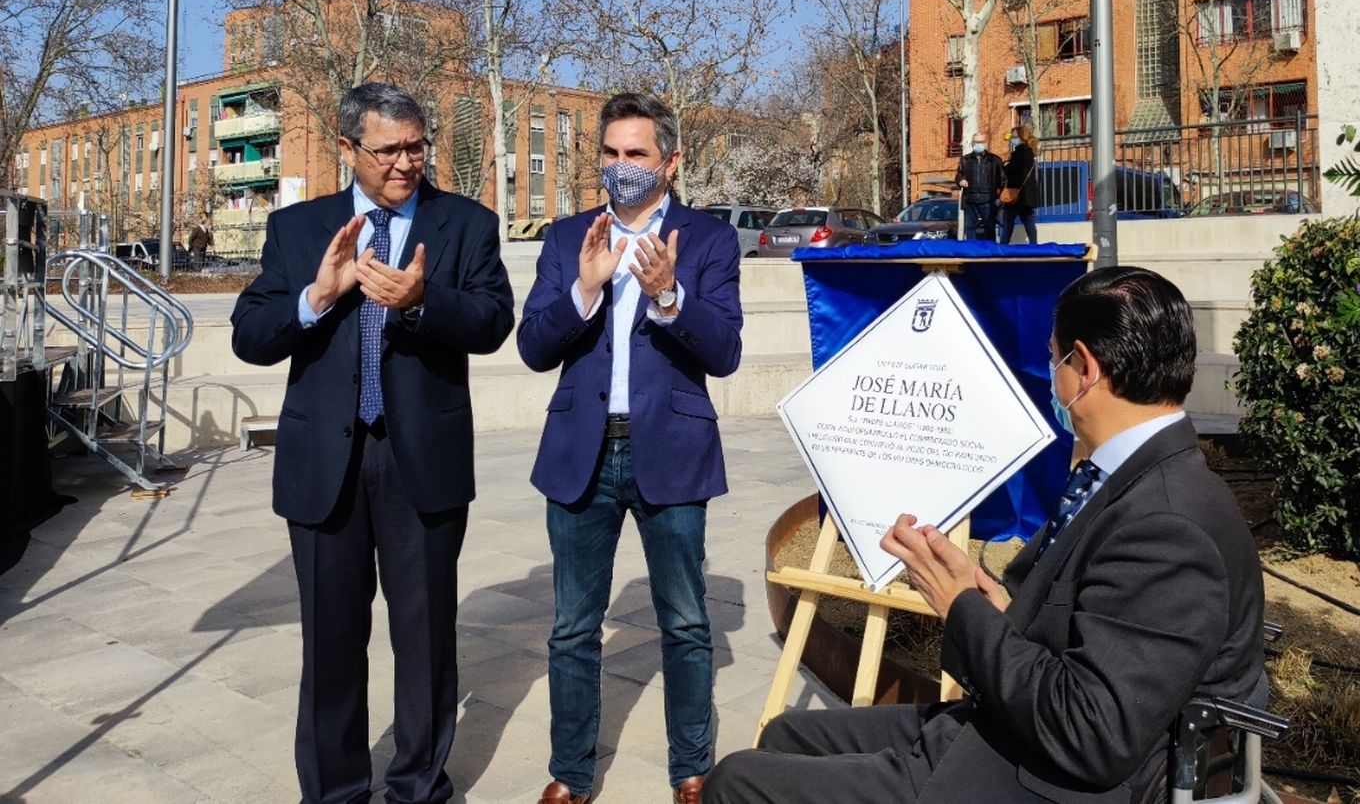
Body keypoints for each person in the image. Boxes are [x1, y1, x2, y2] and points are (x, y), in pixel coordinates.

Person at [703, 266, 1266, 804]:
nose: (1054, 377)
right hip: (1019, 730)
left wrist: (960, 607)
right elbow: (1091, 632)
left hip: (1055, 778)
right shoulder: (1129, 476)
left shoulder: (1168, 522)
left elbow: (1094, 734)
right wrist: (992, 604)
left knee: (737, 783)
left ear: (1085, 367)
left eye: (1054, 359)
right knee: (786, 734)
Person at [231, 82, 514, 804]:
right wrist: (317, 296)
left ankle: (418, 784)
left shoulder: (465, 225)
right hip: (326, 464)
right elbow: (250, 334)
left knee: (424, 643)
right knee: (330, 645)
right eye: (388, 150)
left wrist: (422, 301)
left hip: (422, 460)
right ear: (347, 148)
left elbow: (492, 320)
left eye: (416, 147)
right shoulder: (298, 230)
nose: (405, 163)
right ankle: (334, 792)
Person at [518, 91, 745, 804]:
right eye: (611, 154)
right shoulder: (566, 239)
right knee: (572, 628)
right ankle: (572, 772)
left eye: (637, 154)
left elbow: (727, 351)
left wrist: (671, 296)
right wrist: (584, 290)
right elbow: (531, 345)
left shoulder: (707, 240)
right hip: (581, 452)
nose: (621, 168)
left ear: (670, 162)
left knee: (684, 621)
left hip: (672, 450)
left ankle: (692, 768)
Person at [954, 132, 1005, 242]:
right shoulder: (965, 160)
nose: (979, 144)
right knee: (969, 227)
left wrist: (999, 197)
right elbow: (959, 175)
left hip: (987, 200)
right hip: (970, 200)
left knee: (989, 227)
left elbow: (1002, 179)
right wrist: (960, 180)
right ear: (972, 143)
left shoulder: (994, 160)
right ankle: (972, 251)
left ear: (985, 143)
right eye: (977, 142)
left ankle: (990, 251)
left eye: (981, 142)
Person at [997, 124, 1040, 245]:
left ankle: (1004, 245)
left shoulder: (1019, 152)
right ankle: (1034, 244)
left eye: (1014, 136)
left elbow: (1011, 170)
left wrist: (1005, 166)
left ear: (1021, 137)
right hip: (1027, 194)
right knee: (1028, 219)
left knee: (1008, 219)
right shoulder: (1030, 152)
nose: (1012, 138)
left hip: (1016, 193)